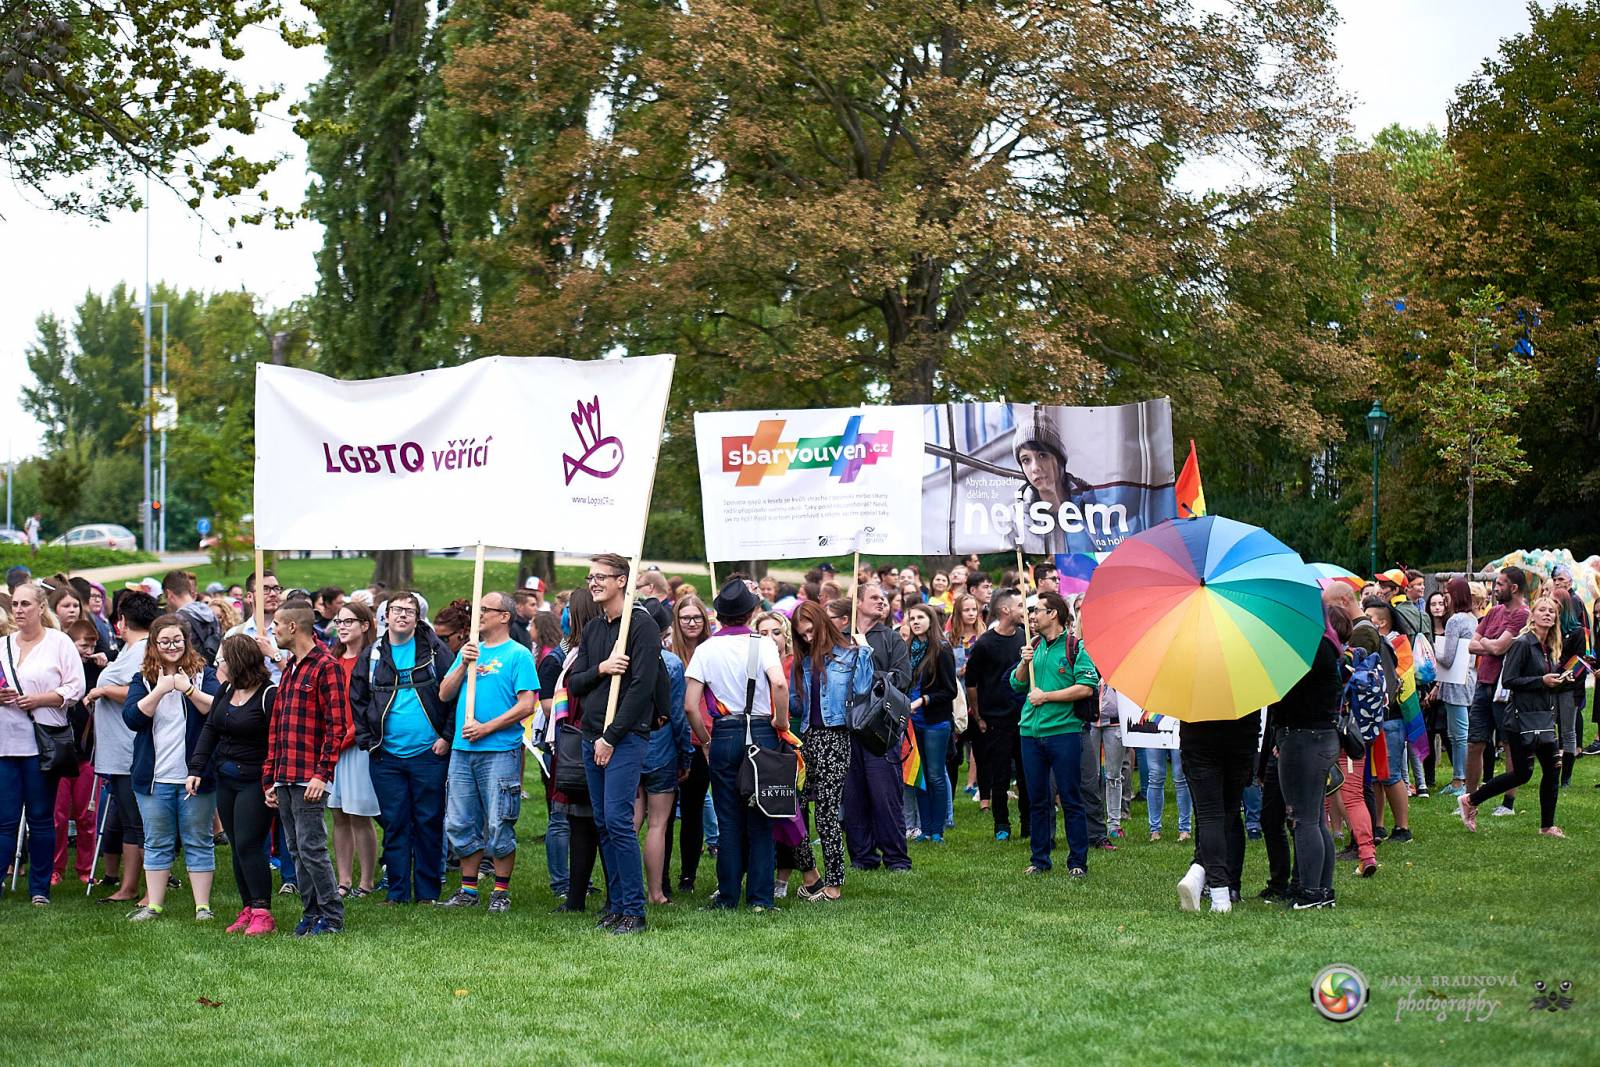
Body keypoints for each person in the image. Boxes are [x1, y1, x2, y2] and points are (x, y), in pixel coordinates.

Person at [566, 554, 662, 934]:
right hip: (592, 734)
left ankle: (634, 911)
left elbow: (642, 688)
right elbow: (575, 683)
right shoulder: (593, 629)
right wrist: (603, 668)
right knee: (603, 822)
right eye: (590, 577)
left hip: (625, 736)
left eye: (601, 577)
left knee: (619, 821)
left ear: (622, 580)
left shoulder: (641, 625)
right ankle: (616, 903)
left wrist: (611, 736)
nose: (593, 583)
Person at [685, 579, 788, 912]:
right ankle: (761, 898)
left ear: (719, 614)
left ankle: (728, 896)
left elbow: (690, 706)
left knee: (728, 818)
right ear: (751, 612)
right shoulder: (763, 644)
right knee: (762, 817)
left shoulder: (705, 649)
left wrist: (705, 740)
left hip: (725, 733)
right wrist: (781, 722)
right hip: (761, 730)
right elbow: (779, 684)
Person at [437, 591, 538, 914]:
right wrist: (462, 664)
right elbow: (444, 693)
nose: (478, 615)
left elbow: (527, 704)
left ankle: (500, 892)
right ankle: (468, 890)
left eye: (485, 609)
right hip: (462, 750)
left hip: (499, 751)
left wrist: (487, 728)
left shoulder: (518, 655)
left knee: (499, 821)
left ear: (504, 616)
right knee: (459, 821)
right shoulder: (469, 650)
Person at [353, 590, 455, 905]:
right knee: (395, 823)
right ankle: (397, 892)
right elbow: (358, 699)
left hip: (430, 754)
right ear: (386, 616)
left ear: (417, 617)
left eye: (409, 611)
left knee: (428, 822)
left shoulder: (436, 651)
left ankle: (427, 893)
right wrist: (368, 741)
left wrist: (447, 737)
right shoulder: (372, 655)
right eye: (396, 610)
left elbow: (456, 693)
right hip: (386, 756)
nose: (402, 615)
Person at [121, 614, 220, 921]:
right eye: (164, 641)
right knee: (157, 841)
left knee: (198, 839)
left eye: (177, 640)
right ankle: (154, 905)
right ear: (154, 644)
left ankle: (202, 907)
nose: (172, 646)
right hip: (154, 778)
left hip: (196, 776)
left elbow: (218, 710)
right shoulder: (143, 679)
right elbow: (132, 718)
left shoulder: (204, 674)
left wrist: (188, 690)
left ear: (186, 642)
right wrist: (160, 689)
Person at [262, 605, 351, 936]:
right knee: (296, 849)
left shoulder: (326, 666)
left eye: (276, 624)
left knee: (312, 848)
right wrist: (270, 777)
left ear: (293, 627)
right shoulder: (290, 669)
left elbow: (336, 726)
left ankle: (332, 916)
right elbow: (277, 727)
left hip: (309, 775)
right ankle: (311, 912)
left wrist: (321, 774)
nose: (272, 630)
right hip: (285, 774)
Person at [0, 582, 86, 905]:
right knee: (4, 820)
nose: (19, 609)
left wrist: (40, 699)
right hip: (5, 743)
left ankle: (39, 888)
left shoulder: (58, 642)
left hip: (42, 743)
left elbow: (75, 687)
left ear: (40, 607)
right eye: (15, 604)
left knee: (40, 817)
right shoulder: (3, 645)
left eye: (25, 604)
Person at [187, 634, 277, 934]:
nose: (217, 667)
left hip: (255, 780)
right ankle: (248, 906)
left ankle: (263, 911)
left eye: (221, 661)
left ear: (237, 662)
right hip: (225, 778)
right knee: (237, 845)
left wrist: (273, 781)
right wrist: (196, 768)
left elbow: (277, 742)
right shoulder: (226, 690)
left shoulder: (268, 695)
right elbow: (211, 729)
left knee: (250, 843)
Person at [1458, 596, 1566, 837]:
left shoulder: (1548, 647)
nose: (1547, 614)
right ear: (1532, 615)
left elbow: (1544, 682)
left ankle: (1547, 826)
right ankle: (1470, 800)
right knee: (1522, 774)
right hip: (1520, 720)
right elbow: (1508, 680)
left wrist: (1562, 681)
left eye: (1551, 611)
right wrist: (1541, 681)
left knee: (1552, 769)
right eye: (1542, 610)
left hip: (1542, 717)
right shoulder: (1523, 643)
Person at [789, 600, 873, 902]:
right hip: (807, 739)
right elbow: (796, 705)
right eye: (802, 634)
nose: (808, 637)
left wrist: (865, 651)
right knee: (793, 810)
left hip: (836, 738)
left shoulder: (850, 655)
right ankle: (811, 876)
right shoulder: (803, 661)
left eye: (811, 631)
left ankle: (834, 884)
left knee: (826, 812)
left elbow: (862, 691)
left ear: (823, 624)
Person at [1011, 591, 1096, 876]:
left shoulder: (1075, 647)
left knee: (1070, 798)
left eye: (1038, 610)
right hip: (1030, 733)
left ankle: (1077, 862)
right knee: (1037, 800)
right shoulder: (1033, 645)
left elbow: (1085, 687)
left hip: (1064, 733)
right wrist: (1023, 663)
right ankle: (1039, 859)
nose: (1032, 616)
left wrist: (1046, 696)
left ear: (1053, 614)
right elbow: (1016, 685)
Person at [84, 591, 159, 904]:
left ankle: (147, 889)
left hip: (131, 751)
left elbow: (140, 691)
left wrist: (102, 690)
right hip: (118, 752)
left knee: (140, 824)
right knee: (129, 822)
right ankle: (128, 886)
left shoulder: (143, 650)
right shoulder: (132, 649)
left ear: (122, 621)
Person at [842, 582, 913, 872]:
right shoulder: (840, 637)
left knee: (886, 796)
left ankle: (896, 858)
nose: (882, 602)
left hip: (879, 730)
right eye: (874, 597)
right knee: (853, 796)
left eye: (883, 598)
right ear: (857, 603)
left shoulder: (891, 639)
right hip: (846, 728)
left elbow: (902, 678)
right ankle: (863, 857)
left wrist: (867, 663)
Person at [965, 588, 1030, 840]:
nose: (1024, 610)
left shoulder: (1024, 637)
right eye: (1019, 605)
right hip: (996, 719)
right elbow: (972, 683)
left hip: (1024, 716)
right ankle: (1001, 824)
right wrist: (979, 716)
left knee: (1026, 774)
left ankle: (1028, 823)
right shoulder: (984, 644)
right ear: (1005, 610)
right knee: (1000, 774)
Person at [327, 601, 381, 898]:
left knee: (359, 813)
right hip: (332, 745)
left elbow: (371, 707)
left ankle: (367, 881)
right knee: (337, 813)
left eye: (349, 621)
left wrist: (345, 738)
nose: (342, 627)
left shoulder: (373, 660)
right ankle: (344, 879)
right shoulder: (333, 660)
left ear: (365, 625)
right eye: (339, 622)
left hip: (358, 745)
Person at [668, 593, 715, 894]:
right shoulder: (667, 652)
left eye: (697, 617)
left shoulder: (713, 651)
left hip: (705, 737)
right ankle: (662, 877)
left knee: (694, 806)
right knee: (665, 809)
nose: (691, 622)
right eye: (685, 617)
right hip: (672, 737)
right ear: (677, 620)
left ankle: (688, 875)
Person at [52, 619, 101, 884]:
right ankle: (55, 867)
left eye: (92, 646)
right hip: (59, 753)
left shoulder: (96, 670)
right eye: (84, 646)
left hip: (87, 754)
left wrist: (105, 662)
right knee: (57, 816)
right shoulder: (58, 669)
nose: (88, 651)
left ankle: (85, 868)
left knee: (87, 815)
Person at [1361, 598, 1414, 844]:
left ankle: (1403, 828)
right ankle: (1378, 825)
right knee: (1375, 776)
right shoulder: (1375, 643)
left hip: (1390, 718)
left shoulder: (1392, 644)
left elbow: (1393, 683)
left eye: (1368, 616)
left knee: (1390, 775)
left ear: (1381, 622)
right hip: (1377, 718)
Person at [904, 604, 957, 842]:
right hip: (913, 723)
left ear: (931, 620)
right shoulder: (908, 649)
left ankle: (938, 830)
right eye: (912, 618)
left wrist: (923, 700)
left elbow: (950, 690)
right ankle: (925, 830)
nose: (915, 622)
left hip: (935, 722)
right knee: (920, 776)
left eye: (920, 617)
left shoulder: (941, 649)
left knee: (935, 775)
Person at [1432, 578, 1478, 798]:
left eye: (1447, 594)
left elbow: (1448, 658)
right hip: (1469, 680)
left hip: (1455, 683)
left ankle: (1460, 779)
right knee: (1461, 732)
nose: (1444, 598)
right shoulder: (1472, 618)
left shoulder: (1454, 621)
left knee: (1458, 734)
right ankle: (1463, 777)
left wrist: (1431, 650)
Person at [228, 570, 287, 682]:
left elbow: (299, 675)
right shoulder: (235, 633)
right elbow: (222, 672)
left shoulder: (291, 632)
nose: (273, 593)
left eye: (276, 588)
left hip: (282, 692)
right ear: (249, 597)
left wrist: (273, 654)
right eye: (265, 589)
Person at [165, 570, 222, 662]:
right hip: (214, 666)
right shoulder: (210, 612)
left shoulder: (177, 619)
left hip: (191, 667)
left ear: (169, 594)